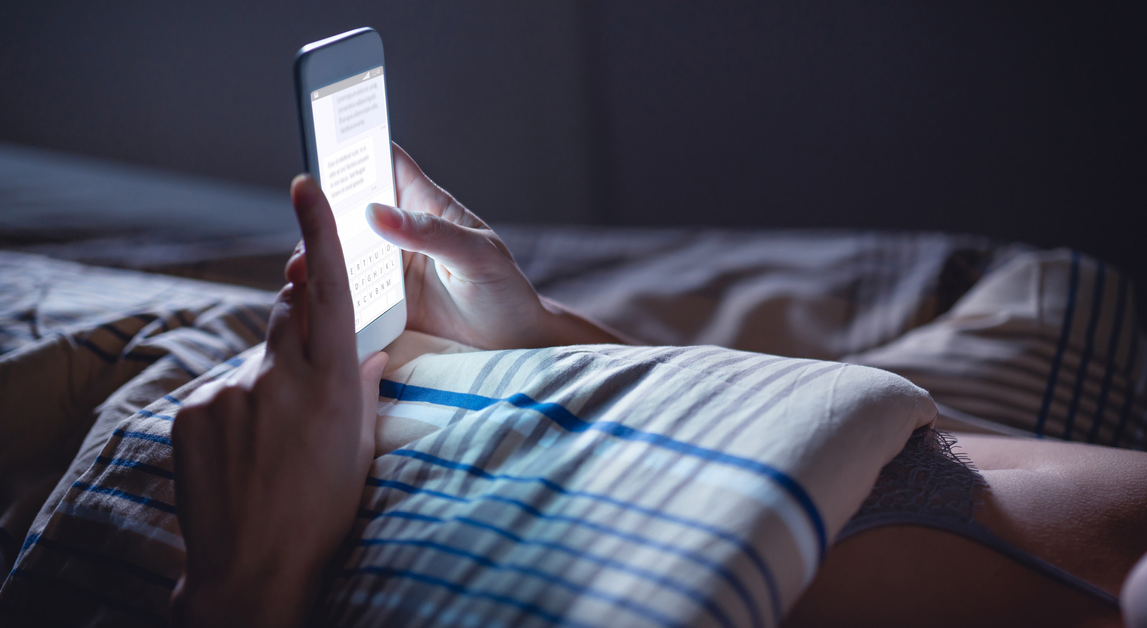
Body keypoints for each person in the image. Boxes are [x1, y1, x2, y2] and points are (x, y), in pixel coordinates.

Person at [168, 145, 1147, 627]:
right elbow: (955, 447)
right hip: (418, 394)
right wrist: (549, 337)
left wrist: (248, 583)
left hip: (189, 520)